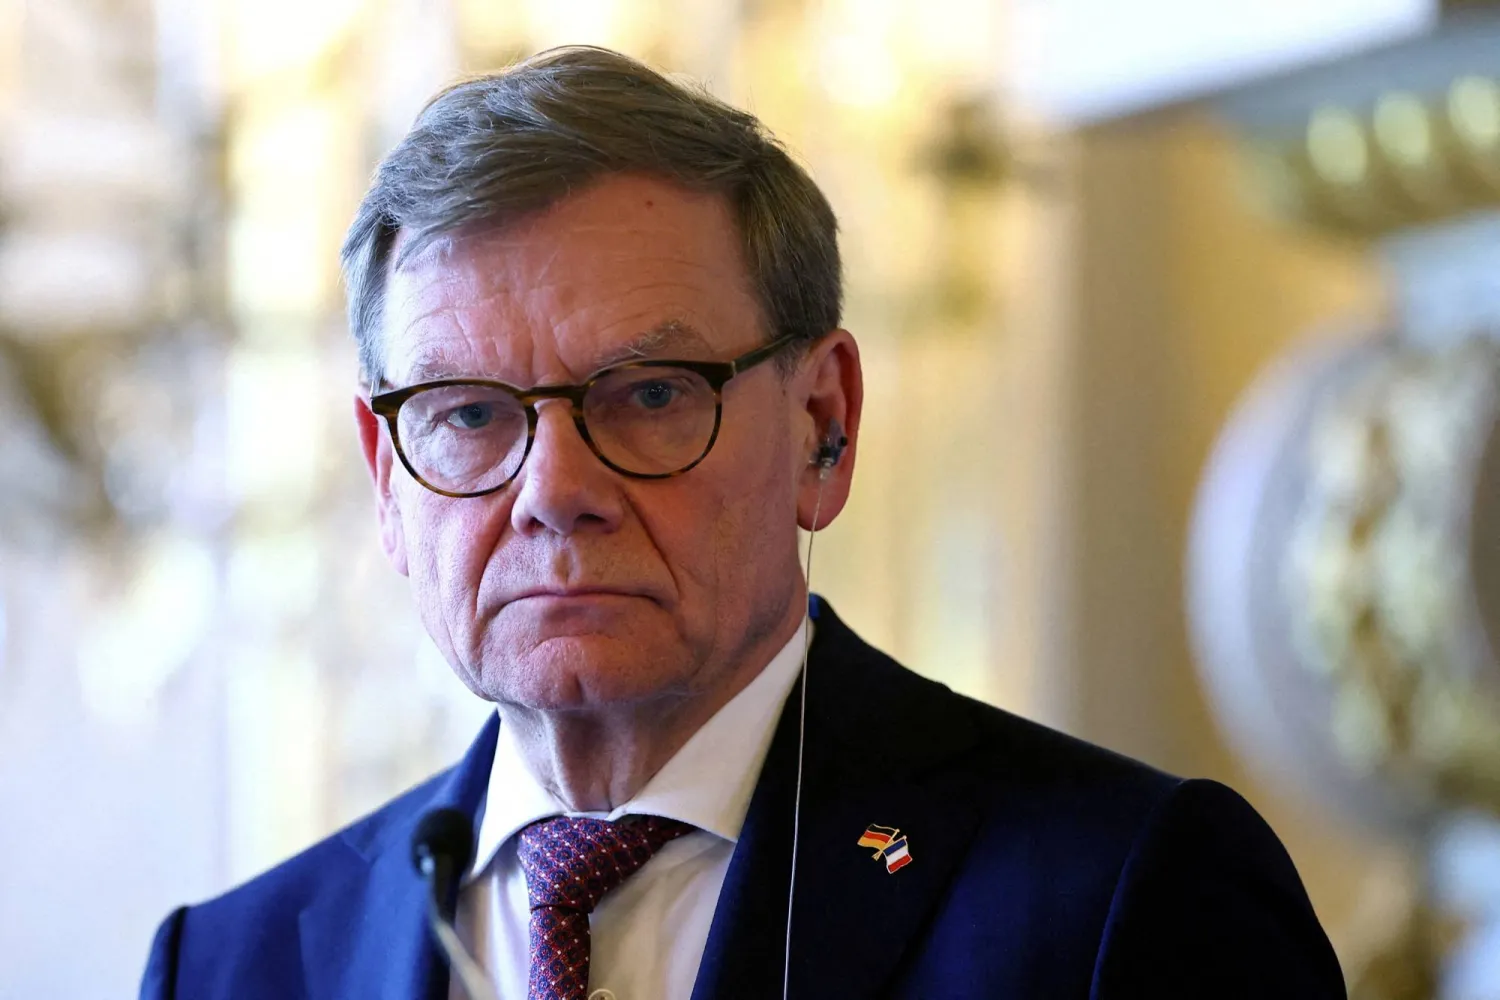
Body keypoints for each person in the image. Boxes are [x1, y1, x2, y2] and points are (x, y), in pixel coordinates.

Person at [139, 45, 1345, 1000]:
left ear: (823, 423)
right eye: (467, 416)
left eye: (650, 395)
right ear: (387, 478)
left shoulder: (1120, 896)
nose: (555, 489)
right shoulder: (237, 964)